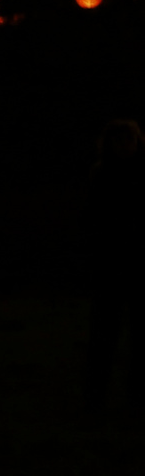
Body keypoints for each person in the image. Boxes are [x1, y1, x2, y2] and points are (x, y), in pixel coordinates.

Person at [82, 119, 145, 411]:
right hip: (110, 263)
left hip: (136, 263)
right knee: (104, 333)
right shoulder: (101, 174)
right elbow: (94, 220)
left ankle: (133, 397)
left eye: (129, 140)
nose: (125, 146)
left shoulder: (137, 174)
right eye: (120, 141)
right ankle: (97, 397)